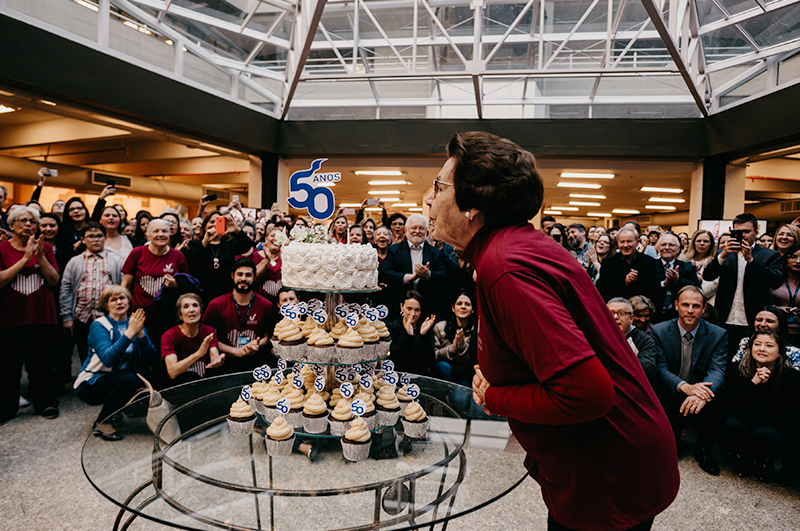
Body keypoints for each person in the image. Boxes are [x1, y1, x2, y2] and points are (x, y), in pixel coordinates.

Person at [429, 131, 678, 531]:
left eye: (440, 186)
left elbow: (588, 393)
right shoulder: (518, 246)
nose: (429, 198)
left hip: (606, 462)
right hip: (611, 451)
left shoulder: (505, 267)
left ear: (473, 205)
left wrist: (497, 396)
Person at [652, 286, 728, 475]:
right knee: (662, 394)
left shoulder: (718, 334)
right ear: (676, 305)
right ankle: (672, 443)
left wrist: (701, 393)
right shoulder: (659, 330)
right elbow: (660, 368)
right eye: (685, 304)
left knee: (715, 396)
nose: (690, 310)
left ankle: (703, 449)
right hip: (673, 387)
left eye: (696, 306)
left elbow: (717, 369)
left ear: (704, 309)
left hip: (701, 389)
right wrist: (685, 387)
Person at [0, 205, 61, 421]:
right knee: (8, 367)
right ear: (11, 224)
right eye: (23, 221)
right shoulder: (2, 249)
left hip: (42, 316)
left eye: (32, 222)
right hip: (10, 318)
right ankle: (7, 407)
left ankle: (44, 403)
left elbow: (54, 280)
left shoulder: (45, 249)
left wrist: (40, 256)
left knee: (42, 365)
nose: (28, 225)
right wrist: (25, 260)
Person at [74, 285, 156, 441]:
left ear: (128, 301)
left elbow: (149, 357)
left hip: (117, 379)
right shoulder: (99, 325)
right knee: (129, 379)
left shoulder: (134, 323)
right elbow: (107, 358)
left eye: (122, 298)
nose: (119, 302)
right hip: (91, 383)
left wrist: (140, 334)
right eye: (113, 300)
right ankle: (102, 421)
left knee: (139, 376)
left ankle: (116, 411)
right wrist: (130, 332)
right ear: (106, 304)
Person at [720, 330, 800, 480]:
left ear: (780, 354)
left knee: (767, 433)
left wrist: (767, 385)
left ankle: (764, 460)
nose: (762, 349)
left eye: (769, 345)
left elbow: (788, 412)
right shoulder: (736, 369)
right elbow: (732, 405)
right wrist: (753, 383)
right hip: (742, 418)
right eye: (757, 344)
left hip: (772, 423)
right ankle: (739, 455)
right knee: (733, 424)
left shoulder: (791, 376)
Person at [703, 212, 783, 361]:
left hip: (753, 320)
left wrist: (751, 260)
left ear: (756, 233)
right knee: (722, 360)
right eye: (738, 232)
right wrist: (722, 256)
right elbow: (708, 276)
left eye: (747, 231)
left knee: (750, 362)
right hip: (725, 318)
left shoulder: (769, 255)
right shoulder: (724, 253)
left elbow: (776, 281)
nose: (743, 236)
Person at [60, 222, 124, 363]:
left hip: (107, 316)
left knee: (108, 353)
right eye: (91, 236)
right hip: (82, 316)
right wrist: (67, 317)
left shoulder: (116, 260)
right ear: (83, 239)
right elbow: (66, 289)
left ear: (105, 238)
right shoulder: (75, 262)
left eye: (99, 236)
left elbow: (122, 287)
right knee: (85, 355)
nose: (95, 240)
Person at [202, 258, 273, 372]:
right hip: (225, 360)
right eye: (240, 274)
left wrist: (256, 344)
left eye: (248, 275)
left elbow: (267, 336)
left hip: (253, 360)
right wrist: (236, 351)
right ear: (232, 276)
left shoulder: (266, 305)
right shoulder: (216, 304)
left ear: (254, 277)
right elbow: (209, 338)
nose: (243, 279)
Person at [380, 213, 447, 320]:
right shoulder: (394, 250)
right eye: (414, 228)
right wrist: (408, 278)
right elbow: (385, 273)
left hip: (427, 308)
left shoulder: (435, 253)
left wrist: (428, 275)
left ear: (426, 231)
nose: (417, 231)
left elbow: (443, 276)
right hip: (399, 306)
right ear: (406, 230)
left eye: (421, 228)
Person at [184, 211, 253, 302]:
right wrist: (205, 241)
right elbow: (193, 261)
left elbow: (246, 246)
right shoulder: (195, 244)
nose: (215, 225)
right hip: (202, 293)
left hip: (225, 293)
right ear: (205, 226)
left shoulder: (229, 243)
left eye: (219, 222)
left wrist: (237, 230)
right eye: (212, 222)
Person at [162, 293, 225, 386]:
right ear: (180, 315)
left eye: (195, 305)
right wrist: (198, 354)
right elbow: (172, 372)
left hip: (203, 385)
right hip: (178, 387)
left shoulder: (208, 331)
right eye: (186, 307)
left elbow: (214, 356)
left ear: (201, 311)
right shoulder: (169, 336)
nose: (191, 310)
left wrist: (218, 361)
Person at [596, 228, 662, 306]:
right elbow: (602, 287)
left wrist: (637, 280)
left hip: (641, 309)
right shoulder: (608, 262)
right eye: (622, 242)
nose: (625, 245)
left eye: (629, 241)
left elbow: (655, 287)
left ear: (637, 242)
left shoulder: (649, 262)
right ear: (617, 243)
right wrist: (624, 282)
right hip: (617, 307)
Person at [731, 306, 800, 370]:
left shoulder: (793, 352)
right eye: (759, 320)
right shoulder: (745, 342)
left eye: (769, 321)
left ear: (779, 327)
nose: (762, 324)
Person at [387, 290, 436, 376]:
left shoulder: (426, 328)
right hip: (396, 375)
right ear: (401, 307)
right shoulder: (391, 328)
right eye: (409, 308)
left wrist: (423, 335)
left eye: (417, 310)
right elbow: (396, 361)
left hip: (420, 376)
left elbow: (430, 361)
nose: (412, 314)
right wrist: (408, 336)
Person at [607, 297, 656, 381]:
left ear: (631, 318)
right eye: (611, 313)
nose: (615, 317)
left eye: (621, 313)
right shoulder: (596, 336)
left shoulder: (644, 340)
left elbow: (649, 370)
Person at [433, 292, 477, 386]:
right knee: (443, 367)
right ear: (453, 308)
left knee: (459, 399)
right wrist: (452, 349)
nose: (463, 307)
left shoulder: (477, 331)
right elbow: (434, 355)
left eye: (467, 304)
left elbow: (472, 363)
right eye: (459, 303)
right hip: (444, 372)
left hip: (464, 374)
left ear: (472, 309)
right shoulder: (440, 327)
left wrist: (462, 345)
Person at [655, 233, 700, 322]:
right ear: (659, 248)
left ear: (678, 249)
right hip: (655, 313)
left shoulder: (688, 267)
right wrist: (663, 284)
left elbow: (697, 289)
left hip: (679, 315)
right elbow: (645, 286)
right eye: (663, 245)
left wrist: (678, 280)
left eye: (671, 245)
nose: (667, 248)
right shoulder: (650, 266)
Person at [769, 243, 800, 345]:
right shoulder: (775, 278)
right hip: (775, 331)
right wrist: (776, 309)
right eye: (793, 257)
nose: (798, 261)